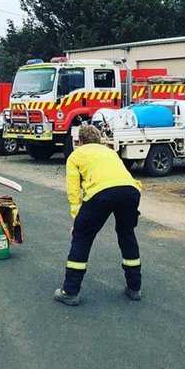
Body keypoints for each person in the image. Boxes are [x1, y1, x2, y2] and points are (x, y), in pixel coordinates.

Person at [54, 124, 142, 306]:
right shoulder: (109, 152)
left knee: (82, 237)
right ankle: (135, 288)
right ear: (98, 139)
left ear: (79, 141)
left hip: (100, 193)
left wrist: (77, 220)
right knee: (126, 234)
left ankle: (70, 291)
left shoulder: (75, 156)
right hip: (130, 191)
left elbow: (73, 192)